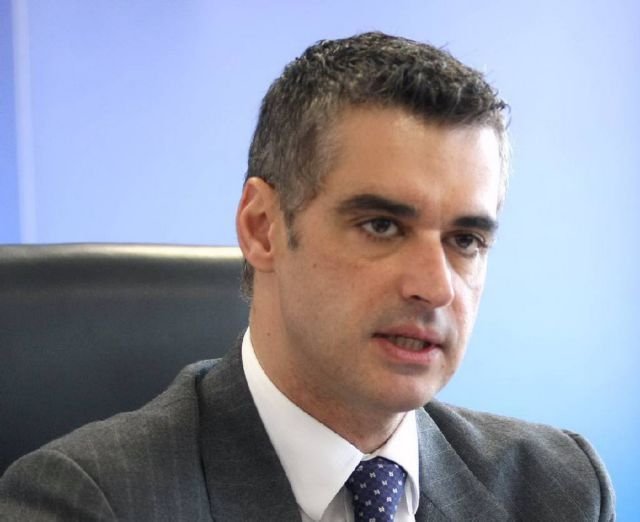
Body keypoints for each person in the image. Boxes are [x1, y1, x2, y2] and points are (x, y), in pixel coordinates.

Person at [0, 32, 614, 521]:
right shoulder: (89, 502)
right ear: (263, 227)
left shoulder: (555, 488)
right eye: (382, 226)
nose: (435, 287)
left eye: (465, 240)